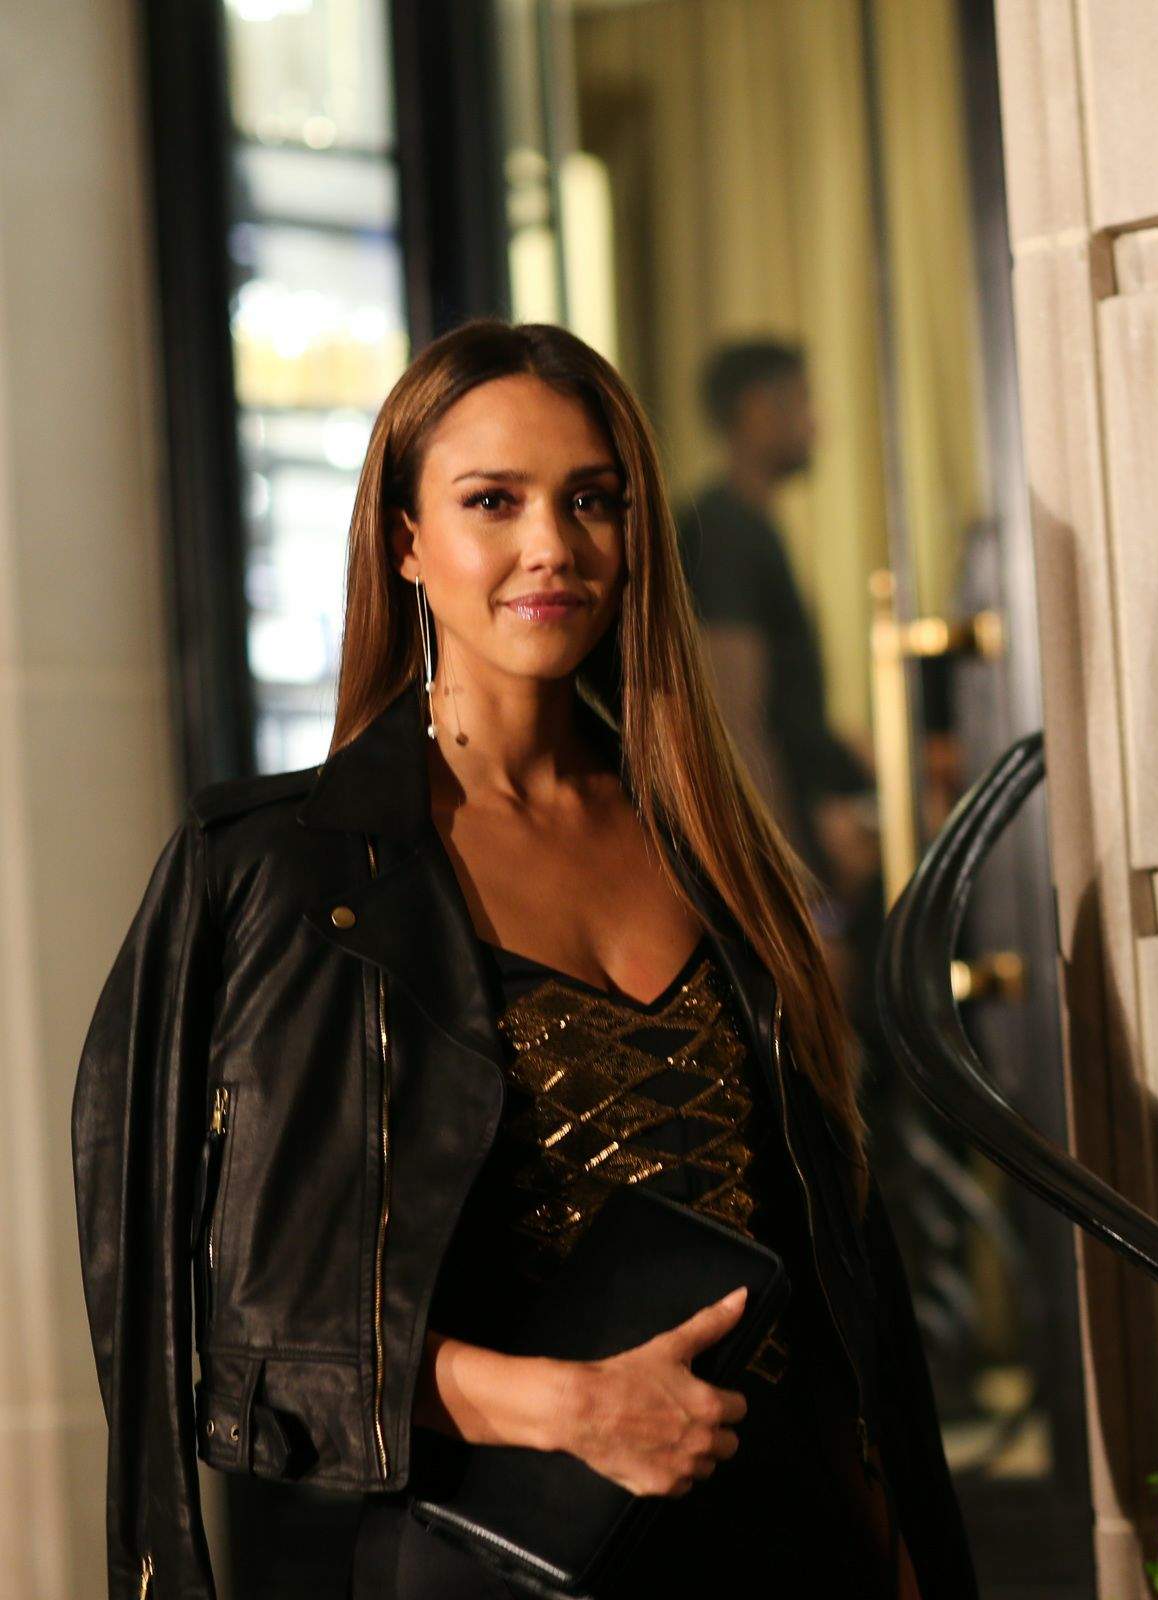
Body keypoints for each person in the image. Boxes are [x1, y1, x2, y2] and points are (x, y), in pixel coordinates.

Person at [67, 320, 979, 1599]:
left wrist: (893, 1541)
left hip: (791, 1545)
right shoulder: (296, 869)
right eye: (492, 501)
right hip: (508, 1560)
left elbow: (828, 1260)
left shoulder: (716, 845)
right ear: (406, 542)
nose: (551, 545)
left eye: (591, 500)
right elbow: (244, 1338)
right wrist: (560, 1408)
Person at [674, 339, 880, 922]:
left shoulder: (749, 527)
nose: (816, 423)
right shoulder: (726, 534)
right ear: (758, 410)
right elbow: (736, 718)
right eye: (804, 402)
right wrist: (793, 888)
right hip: (783, 854)